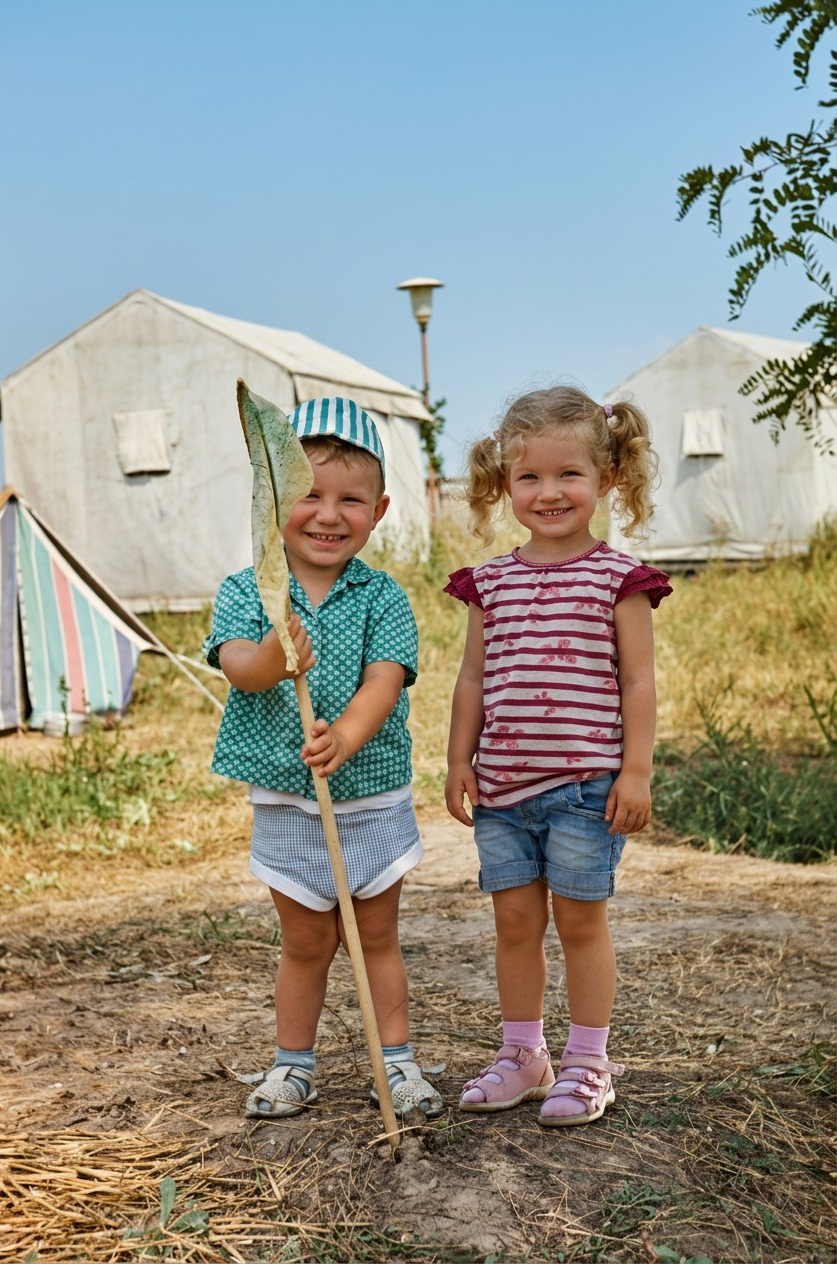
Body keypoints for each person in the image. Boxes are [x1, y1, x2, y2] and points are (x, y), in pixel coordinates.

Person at [205, 397, 442, 1120]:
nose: (329, 515)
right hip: (287, 799)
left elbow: (386, 680)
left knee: (375, 936)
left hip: (370, 796)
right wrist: (273, 659)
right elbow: (237, 667)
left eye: (351, 500)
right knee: (306, 941)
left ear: (380, 510)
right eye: (308, 495)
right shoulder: (248, 590)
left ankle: (394, 1063)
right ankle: (293, 1065)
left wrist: (344, 735)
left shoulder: (383, 597)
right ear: (273, 501)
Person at [444, 385, 671, 1126]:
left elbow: (638, 681)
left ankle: (587, 1061)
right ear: (505, 483)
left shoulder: (618, 579)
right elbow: (472, 678)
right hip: (504, 792)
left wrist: (636, 771)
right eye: (530, 477)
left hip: (584, 788)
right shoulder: (490, 583)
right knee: (515, 924)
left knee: (579, 924)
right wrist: (458, 760)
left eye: (568, 474)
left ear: (607, 477)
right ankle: (524, 1055)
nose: (549, 492)